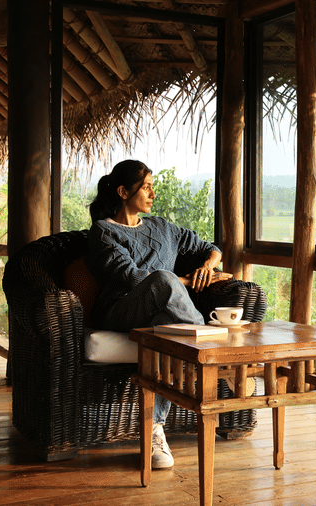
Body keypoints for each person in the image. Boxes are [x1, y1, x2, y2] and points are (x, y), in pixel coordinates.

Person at [85, 159, 231, 469]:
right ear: (124, 191)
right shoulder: (102, 232)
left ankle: (154, 429)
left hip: (163, 313)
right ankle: (215, 355)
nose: (153, 195)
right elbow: (135, 277)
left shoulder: (164, 227)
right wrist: (190, 282)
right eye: (148, 188)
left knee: (165, 332)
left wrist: (208, 267)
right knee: (163, 279)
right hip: (121, 309)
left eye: (153, 188)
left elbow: (212, 247)